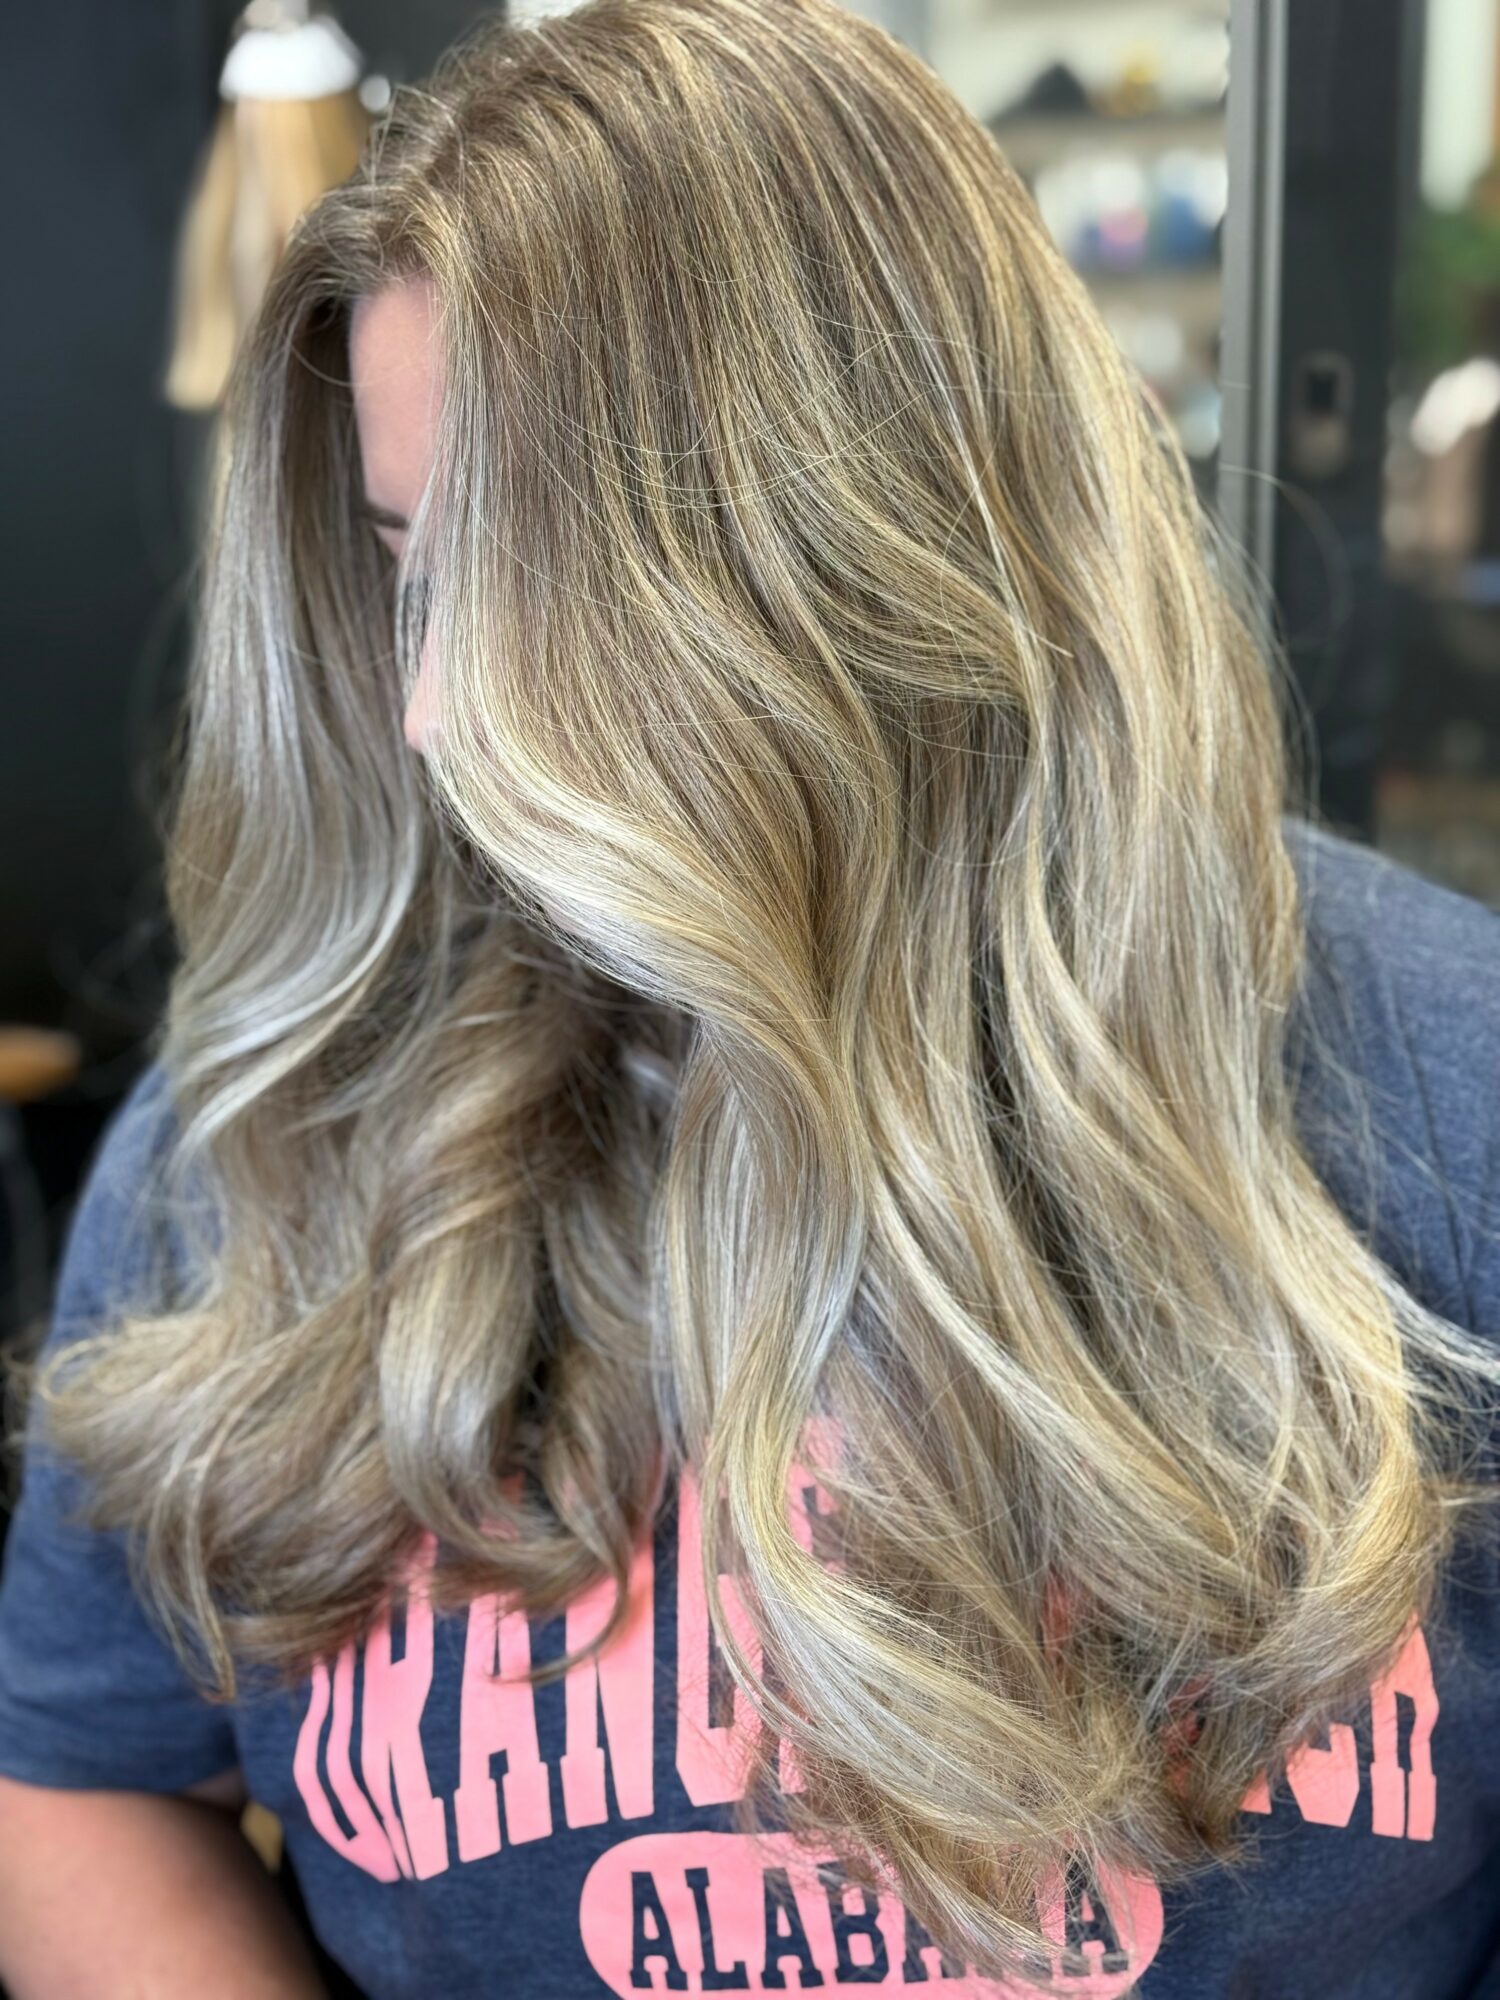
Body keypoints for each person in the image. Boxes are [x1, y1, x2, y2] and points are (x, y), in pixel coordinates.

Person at [1, 1, 1498, 1994]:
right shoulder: (285, 1109)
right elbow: (86, 1776)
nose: (435, 712)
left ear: (880, 565)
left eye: (550, 581)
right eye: (410, 564)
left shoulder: (1448, 1089)